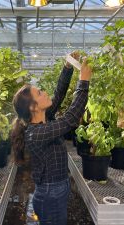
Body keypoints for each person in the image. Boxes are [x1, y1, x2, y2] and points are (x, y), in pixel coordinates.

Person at [11, 52, 92, 225]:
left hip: (56, 189)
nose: (45, 93)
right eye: (40, 93)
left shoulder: (44, 116)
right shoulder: (36, 133)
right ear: (33, 107)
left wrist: (67, 67)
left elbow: (59, 94)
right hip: (51, 193)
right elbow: (70, 119)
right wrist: (83, 82)